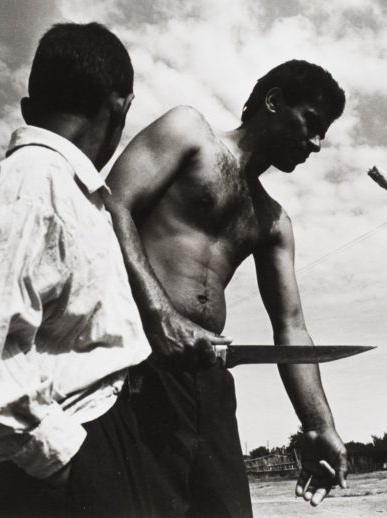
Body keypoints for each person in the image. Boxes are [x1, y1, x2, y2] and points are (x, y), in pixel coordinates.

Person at [0, 23, 160, 518]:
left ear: (29, 108)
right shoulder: (34, 183)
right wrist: (65, 461)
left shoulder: (69, 191)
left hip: (95, 443)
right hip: (66, 462)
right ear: (120, 107)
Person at [105, 59, 348, 517]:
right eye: (312, 123)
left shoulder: (273, 220)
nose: (317, 144)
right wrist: (158, 315)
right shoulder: (189, 131)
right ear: (273, 101)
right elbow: (112, 206)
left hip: (208, 377)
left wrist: (319, 425)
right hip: (139, 363)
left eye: (324, 133)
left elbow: (291, 327)